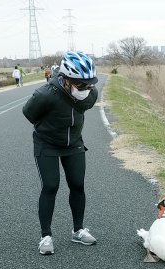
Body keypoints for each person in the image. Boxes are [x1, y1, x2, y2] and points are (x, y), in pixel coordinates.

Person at [22, 51, 99, 255]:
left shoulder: (90, 94)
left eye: (89, 84)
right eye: (81, 85)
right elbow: (29, 113)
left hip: (74, 143)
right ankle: (46, 236)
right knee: (50, 186)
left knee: (78, 185)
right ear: (66, 80)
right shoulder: (45, 95)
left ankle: (78, 230)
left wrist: (84, 90)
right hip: (46, 143)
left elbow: (84, 105)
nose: (86, 89)